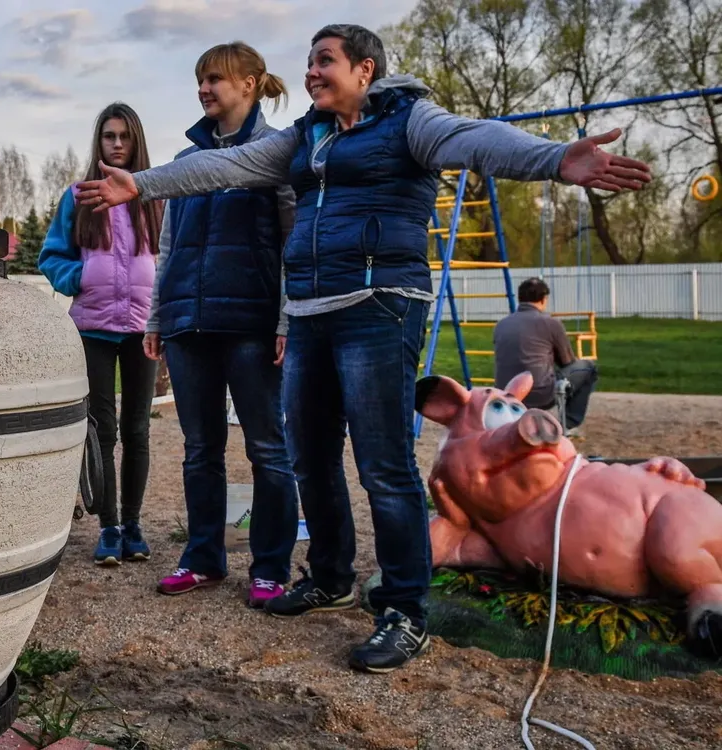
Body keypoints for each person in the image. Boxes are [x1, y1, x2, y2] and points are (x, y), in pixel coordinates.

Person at [74, 24, 651, 673]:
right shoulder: (305, 137)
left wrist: (554, 158)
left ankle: (404, 609)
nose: (313, 73)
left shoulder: (408, 121)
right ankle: (330, 577)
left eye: (326, 61)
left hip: (379, 306)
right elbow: (225, 165)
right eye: (311, 61)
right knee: (312, 458)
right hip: (314, 311)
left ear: (366, 70)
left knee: (383, 463)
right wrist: (143, 185)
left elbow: (479, 139)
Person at [145, 42, 300, 610]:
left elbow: (292, 244)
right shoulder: (186, 164)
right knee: (199, 449)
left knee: (267, 449)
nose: (205, 89)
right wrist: (159, 316)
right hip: (188, 325)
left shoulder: (275, 157)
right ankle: (203, 557)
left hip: (252, 326)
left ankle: (270, 566)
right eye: (200, 80)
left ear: (251, 84)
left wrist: (285, 318)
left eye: (215, 79)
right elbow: (168, 248)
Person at [38, 102, 164, 567]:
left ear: (136, 142)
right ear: (99, 141)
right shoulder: (79, 195)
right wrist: (82, 277)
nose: (116, 144)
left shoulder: (154, 196)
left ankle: (133, 525)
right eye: (109, 136)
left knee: (138, 429)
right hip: (92, 328)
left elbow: (168, 258)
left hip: (141, 328)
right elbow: (50, 257)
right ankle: (108, 528)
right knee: (103, 430)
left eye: (124, 136)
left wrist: (162, 312)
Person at [493, 277, 598, 433]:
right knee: (588, 368)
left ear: (520, 298)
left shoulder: (501, 324)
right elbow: (567, 361)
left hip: (507, 393)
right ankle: (567, 423)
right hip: (540, 395)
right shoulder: (551, 323)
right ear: (543, 299)